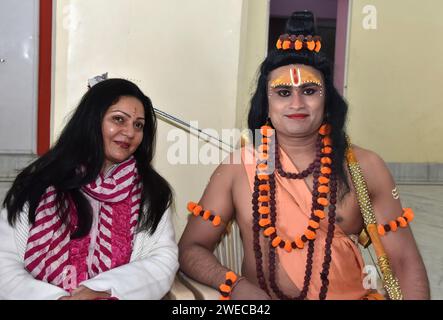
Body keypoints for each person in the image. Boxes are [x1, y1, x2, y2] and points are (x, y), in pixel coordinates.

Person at [178, 12, 429, 300]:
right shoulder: (239, 168)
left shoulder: (364, 166)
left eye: (309, 90)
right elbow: (191, 248)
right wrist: (237, 286)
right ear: (266, 104)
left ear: (327, 100)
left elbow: (405, 262)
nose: (297, 103)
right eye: (283, 92)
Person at [0, 78, 178, 300]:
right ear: (92, 121)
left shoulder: (152, 192)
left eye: (138, 125)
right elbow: (4, 261)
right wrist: (56, 298)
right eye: (118, 119)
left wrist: (101, 289)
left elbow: (163, 259)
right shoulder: (38, 182)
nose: (130, 132)